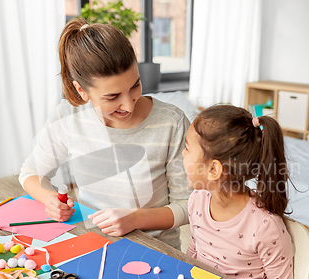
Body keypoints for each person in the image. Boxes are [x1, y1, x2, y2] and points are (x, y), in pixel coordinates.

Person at [19, 18, 190, 250]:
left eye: (135, 86)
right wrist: (49, 199)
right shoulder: (69, 117)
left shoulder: (171, 122)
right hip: (91, 245)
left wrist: (136, 219)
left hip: (156, 252)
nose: (128, 105)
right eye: (112, 97)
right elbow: (31, 173)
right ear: (81, 90)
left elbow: (190, 205)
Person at [183, 105, 295, 279]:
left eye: (187, 148)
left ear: (213, 169)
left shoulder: (264, 226)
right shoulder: (197, 199)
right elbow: (194, 252)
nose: (183, 154)